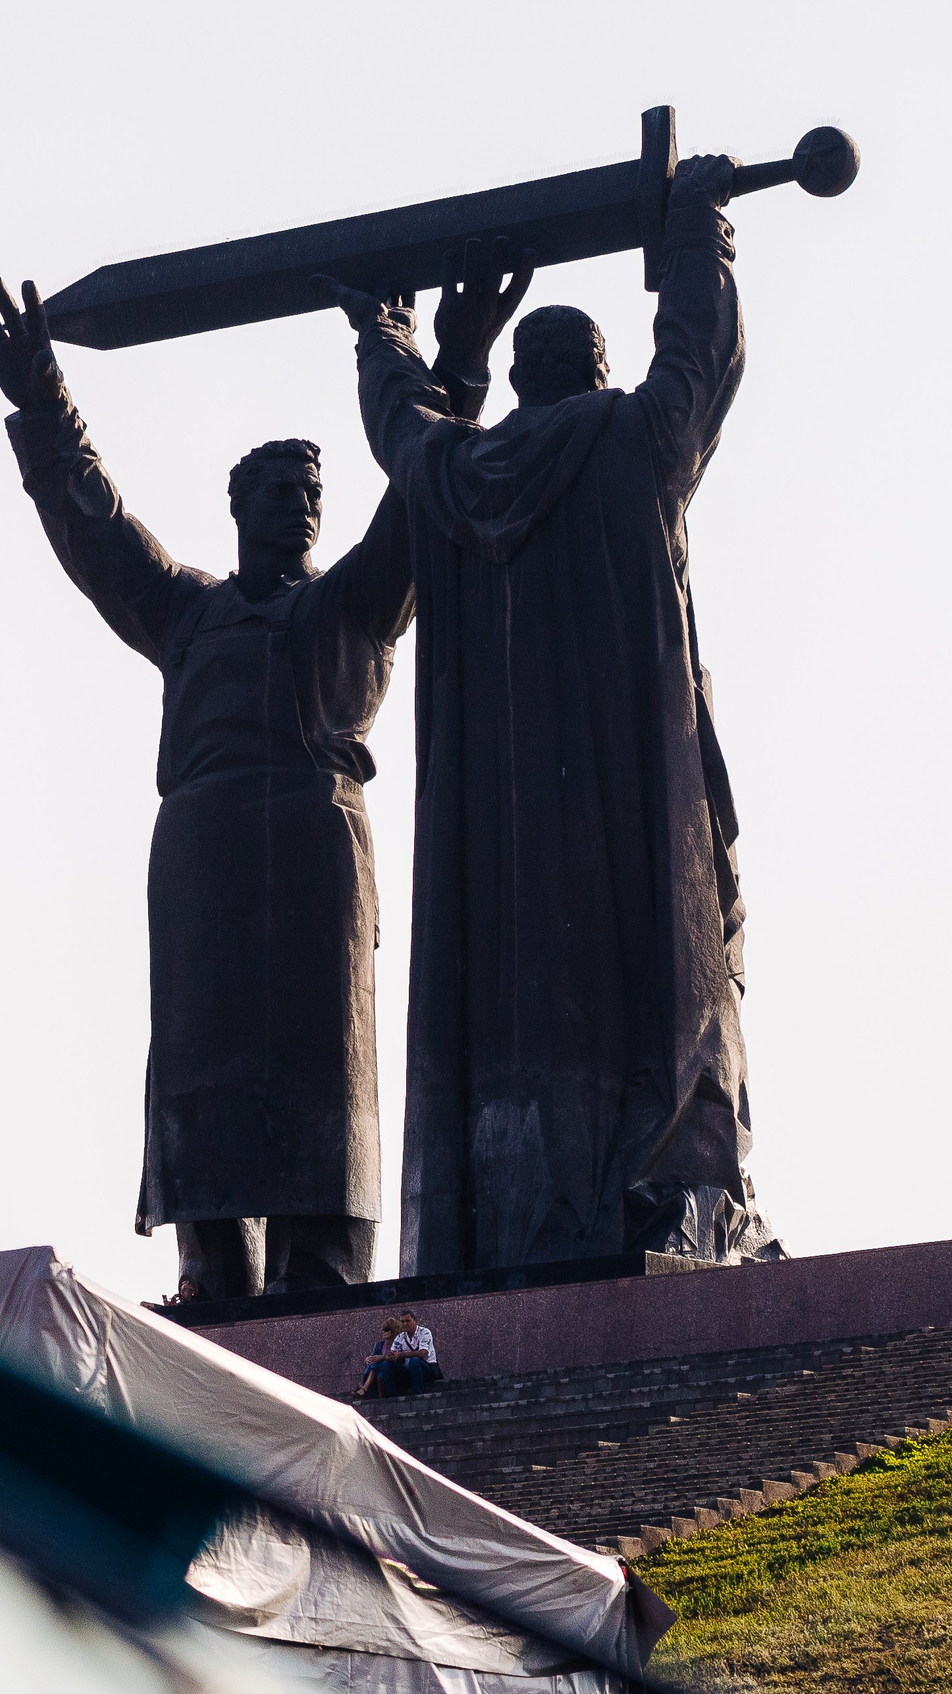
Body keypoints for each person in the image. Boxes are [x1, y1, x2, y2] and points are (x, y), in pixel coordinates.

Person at [0, 260, 524, 1301]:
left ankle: (319, 1275)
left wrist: (458, 363)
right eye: (279, 492)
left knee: (324, 1058)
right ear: (237, 505)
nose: (300, 506)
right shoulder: (186, 612)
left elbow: (420, 500)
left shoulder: (350, 606)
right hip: (205, 851)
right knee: (202, 1060)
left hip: (315, 845)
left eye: (312, 493)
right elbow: (94, 526)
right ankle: (211, 1269)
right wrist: (43, 399)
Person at [317, 158, 785, 1274]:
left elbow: (400, 415)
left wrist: (386, 330)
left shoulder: (453, 469)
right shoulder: (633, 444)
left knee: (522, 1010)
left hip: (507, 831)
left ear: (521, 380)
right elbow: (701, 360)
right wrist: (696, 236)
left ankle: (518, 1214)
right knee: (663, 976)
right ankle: (663, 1191)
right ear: (594, 372)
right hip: (630, 792)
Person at [355, 1314, 404, 1399]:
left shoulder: (399, 1344)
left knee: (380, 1364)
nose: (383, 1332)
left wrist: (381, 1357)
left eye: (386, 1330)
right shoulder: (379, 1345)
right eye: (382, 1330)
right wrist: (368, 1359)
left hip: (395, 1370)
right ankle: (367, 1389)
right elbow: (373, 1357)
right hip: (379, 1370)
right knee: (375, 1363)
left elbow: (398, 1360)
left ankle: (364, 1388)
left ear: (393, 1331)